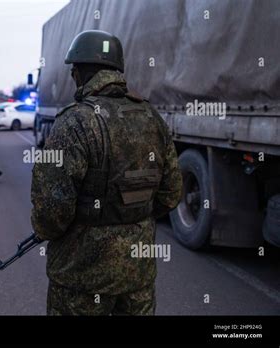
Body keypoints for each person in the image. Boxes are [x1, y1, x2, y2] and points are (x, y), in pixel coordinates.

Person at [30, 30, 183, 315]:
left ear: (79, 73)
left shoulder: (74, 122)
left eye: (73, 71)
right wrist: (131, 220)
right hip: (138, 274)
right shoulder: (153, 118)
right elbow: (171, 193)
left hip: (81, 278)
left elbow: (51, 211)